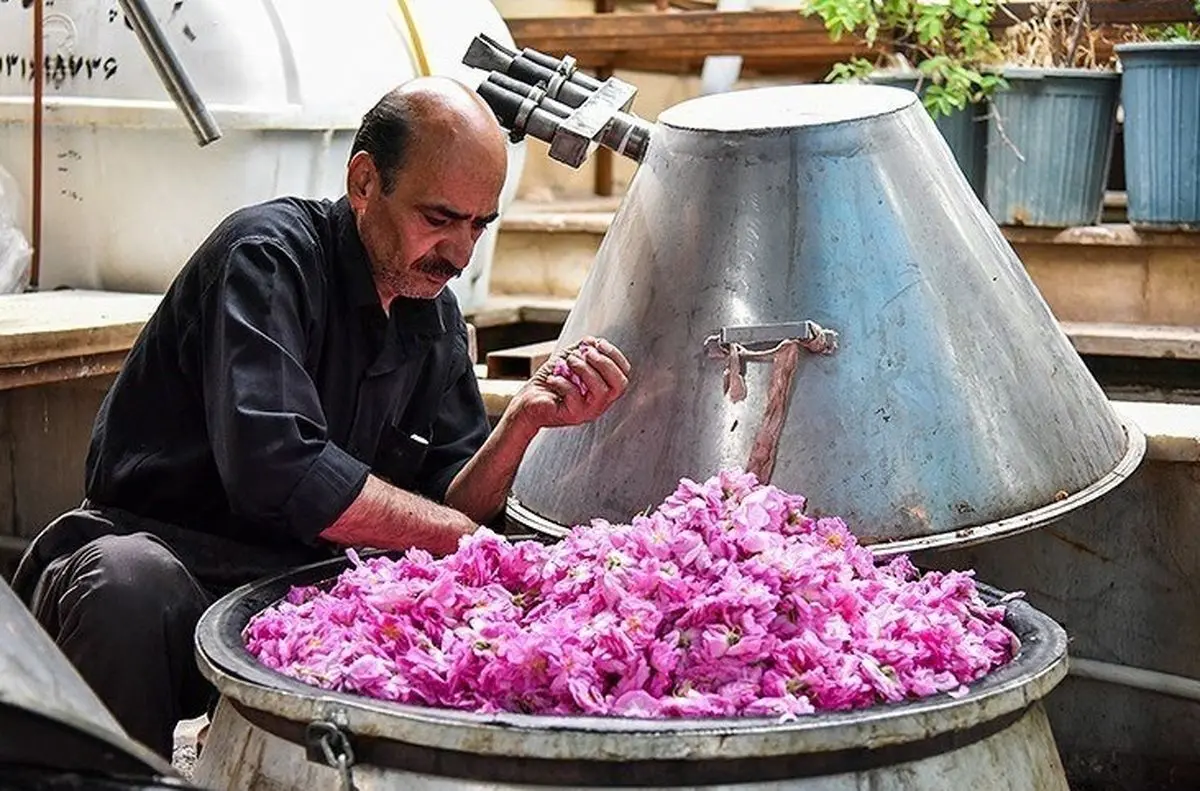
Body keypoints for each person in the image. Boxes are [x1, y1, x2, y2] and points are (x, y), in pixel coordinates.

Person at [11, 76, 631, 759]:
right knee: (128, 582)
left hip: (295, 586)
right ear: (364, 182)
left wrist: (521, 424)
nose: (461, 253)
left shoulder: (434, 316)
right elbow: (282, 472)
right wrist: (460, 538)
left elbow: (457, 503)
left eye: (479, 224)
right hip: (169, 564)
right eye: (440, 218)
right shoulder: (268, 257)